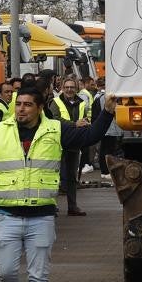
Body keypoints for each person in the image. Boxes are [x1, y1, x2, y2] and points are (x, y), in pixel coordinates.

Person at [0, 85, 118, 282]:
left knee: (38, 276)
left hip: (41, 217)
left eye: (27, 105)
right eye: (18, 104)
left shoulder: (55, 129)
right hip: (7, 216)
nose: (21, 109)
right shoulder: (0, 131)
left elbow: (90, 136)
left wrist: (108, 111)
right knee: (6, 273)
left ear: (39, 108)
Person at [52, 76, 90, 216]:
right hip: (58, 143)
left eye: (72, 87)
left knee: (72, 177)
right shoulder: (55, 102)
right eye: (67, 87)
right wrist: (74, 124)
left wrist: (85, 125)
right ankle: (52, 207)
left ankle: (72, 207)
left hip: (74, 144)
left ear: (76, 89)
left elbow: (84, 120)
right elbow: (54, 120)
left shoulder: (81, 103)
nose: (69, 90)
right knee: (54, 176)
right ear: (62, 88)